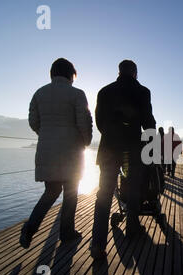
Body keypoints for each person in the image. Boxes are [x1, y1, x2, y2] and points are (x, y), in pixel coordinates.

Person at [20, 58, 93, 249]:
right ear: (71, 74)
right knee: (70, 193)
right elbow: (84, 121)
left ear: (52, 73)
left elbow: (33, 121)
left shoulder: (39, 93)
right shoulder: (77, 94)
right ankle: (67, 232)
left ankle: (30, 227)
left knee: (51, 192)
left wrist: (46, 134)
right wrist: (85, 141)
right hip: (71, 153)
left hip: (47, 151)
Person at [91, 60, 156, 260]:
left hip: (109, 149)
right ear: (135, 73)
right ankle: (132, 227)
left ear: (119, 72)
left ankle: (97, 245)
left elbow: (99, 121)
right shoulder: (143, 92)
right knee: (134, 187)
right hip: (132, 149)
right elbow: (148, 122)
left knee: (104, 194)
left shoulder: (104, 91)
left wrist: (112, 135)